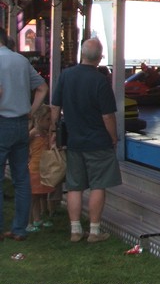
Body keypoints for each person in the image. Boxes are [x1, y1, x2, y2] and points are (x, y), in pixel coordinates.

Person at [50, 38, 121, 243]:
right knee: (98, 185)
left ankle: (75, 230)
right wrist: (113, 137)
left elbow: (55, 107)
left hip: (74, 140)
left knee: (74, 186)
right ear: (100, 58)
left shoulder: (66, 76)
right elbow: (108, 116)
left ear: (81, 54)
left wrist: (54, 130)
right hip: (98, 141)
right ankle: (95, 231)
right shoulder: (100, 81)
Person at [0, 28, 49, 241]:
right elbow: (42, 87)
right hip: (21, 123)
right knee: (21, 179)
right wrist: (31, 109)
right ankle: (19, 228)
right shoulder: (21, 61)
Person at [27, 104, 55, 232]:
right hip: (34, 169)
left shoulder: (45, 134)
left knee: (40, 195)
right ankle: (28, 222)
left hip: (43, 168)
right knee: (32, 197)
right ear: (39, 119)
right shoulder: (33, 133)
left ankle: (38, 219)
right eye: (48, 119)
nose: (50, 122)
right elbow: (25, 145)